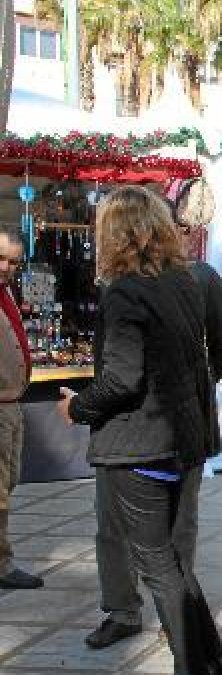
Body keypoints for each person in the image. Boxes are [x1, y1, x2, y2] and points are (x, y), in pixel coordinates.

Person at [56, 186, 222, 674]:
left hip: (138, 447)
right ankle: (214, 660)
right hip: (179, 442)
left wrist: (78, 409)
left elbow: (121, 379)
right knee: (172, 562)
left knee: (159, 565)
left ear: (115, 233)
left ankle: (195, 664)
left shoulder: (125, 292)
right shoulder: (182, 282)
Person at [86, 256, 222, 650]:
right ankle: (122, 610)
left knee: (177, 528)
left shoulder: (198, 277)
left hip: (175, 430)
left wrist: (201, 380)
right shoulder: (120, 279)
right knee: (112, 527)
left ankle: (178, 618)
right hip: (124, 432)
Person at [0, 228, 42, 590]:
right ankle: (2, 562)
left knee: (7, 482)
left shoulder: (7, 293)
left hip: (12, 404)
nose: (6, 267)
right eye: (0, 258)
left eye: (12, 261)